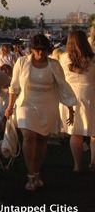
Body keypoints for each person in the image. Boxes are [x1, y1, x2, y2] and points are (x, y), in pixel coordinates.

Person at [5, 34, 77, 191]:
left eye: (44, 50)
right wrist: (10, 106)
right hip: (26, 104)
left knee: (42, 139)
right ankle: (30, 175)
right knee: (29, 137)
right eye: (37, 50)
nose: (41, 53)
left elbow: (63, 86)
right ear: (31, 49)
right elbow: (14, 86)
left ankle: (37, 171)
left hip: (47, 105)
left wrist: (71, 108)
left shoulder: (54, 64)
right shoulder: (21, 62)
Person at [58, 30, 95, 172]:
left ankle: (77, 165)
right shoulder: (92, 58)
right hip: (90, 95)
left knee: (75, 133)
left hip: (70, 97)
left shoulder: (63, 58)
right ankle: (93, 162)